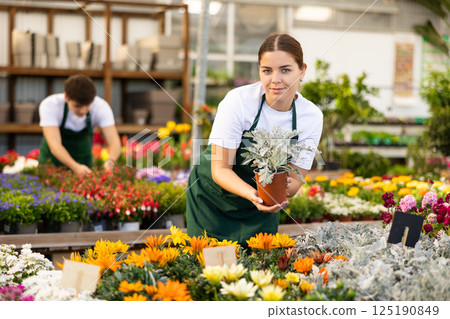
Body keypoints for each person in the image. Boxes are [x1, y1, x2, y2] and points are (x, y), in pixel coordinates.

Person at [186, 33, 323, 246]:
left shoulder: (311, 117)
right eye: (267, 71)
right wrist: (255, 194)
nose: (275, 79)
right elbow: (220, 169)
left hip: (262, 206)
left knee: (260, 267)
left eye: (285, 70)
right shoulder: (238, 102)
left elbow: (295, 179)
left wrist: (276, 194)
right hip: (213, 200)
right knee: (208, 266)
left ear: (302, 71)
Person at [38, 74, 121, 176]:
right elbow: (55, 145)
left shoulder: (101, 107)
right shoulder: (51, 105)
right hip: (52, 163)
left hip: (84, 162)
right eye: (77, 106)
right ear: (66, 97)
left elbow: (114, 141)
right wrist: (75, 167)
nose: (83, 111)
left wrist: (110, 161)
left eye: (87, 105)